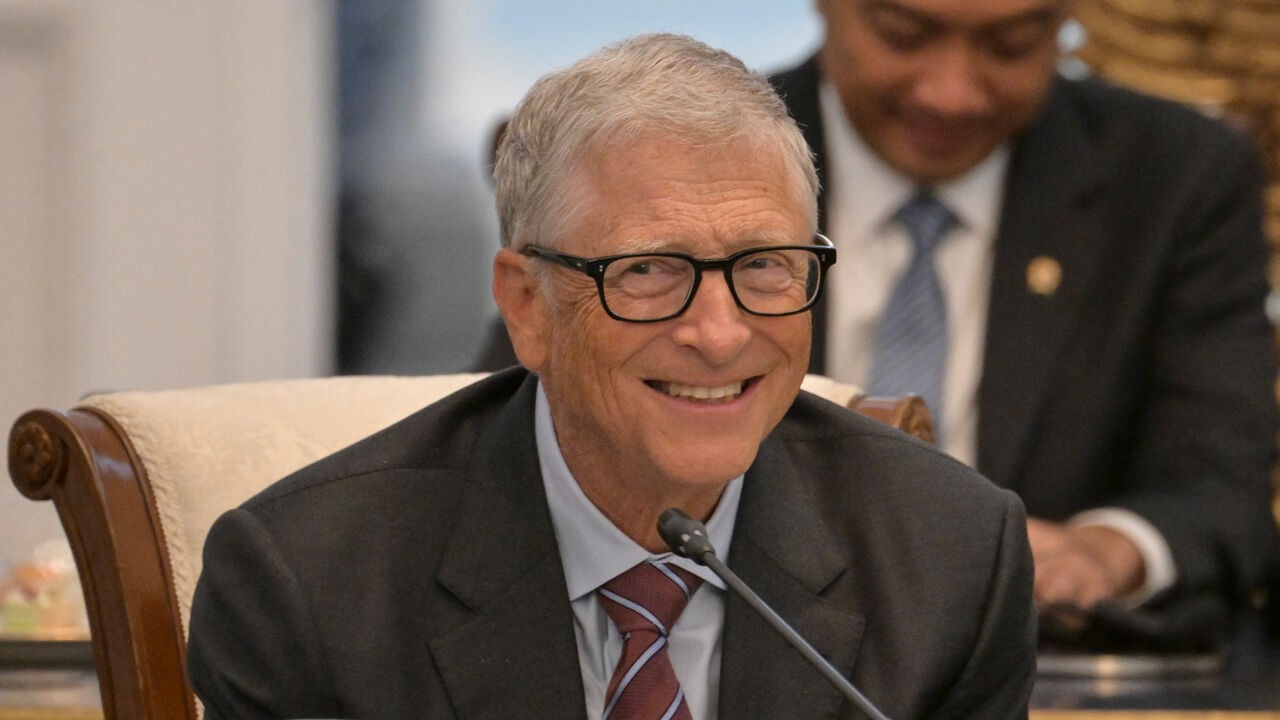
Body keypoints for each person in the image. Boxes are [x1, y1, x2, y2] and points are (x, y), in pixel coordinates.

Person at [188, 33, 1035, 719]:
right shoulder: (310, 582)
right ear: (527, 306)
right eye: (648, 271)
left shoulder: (952, 560)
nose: (719, 335)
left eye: (765, 265)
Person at [470, 0, 1280, 640]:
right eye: (904, 34)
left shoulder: (1175, 177)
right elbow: (504, 438)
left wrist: (1105, 552)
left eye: (1010, 45)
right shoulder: (670, 158)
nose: (950, 91)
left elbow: (1222, 484)